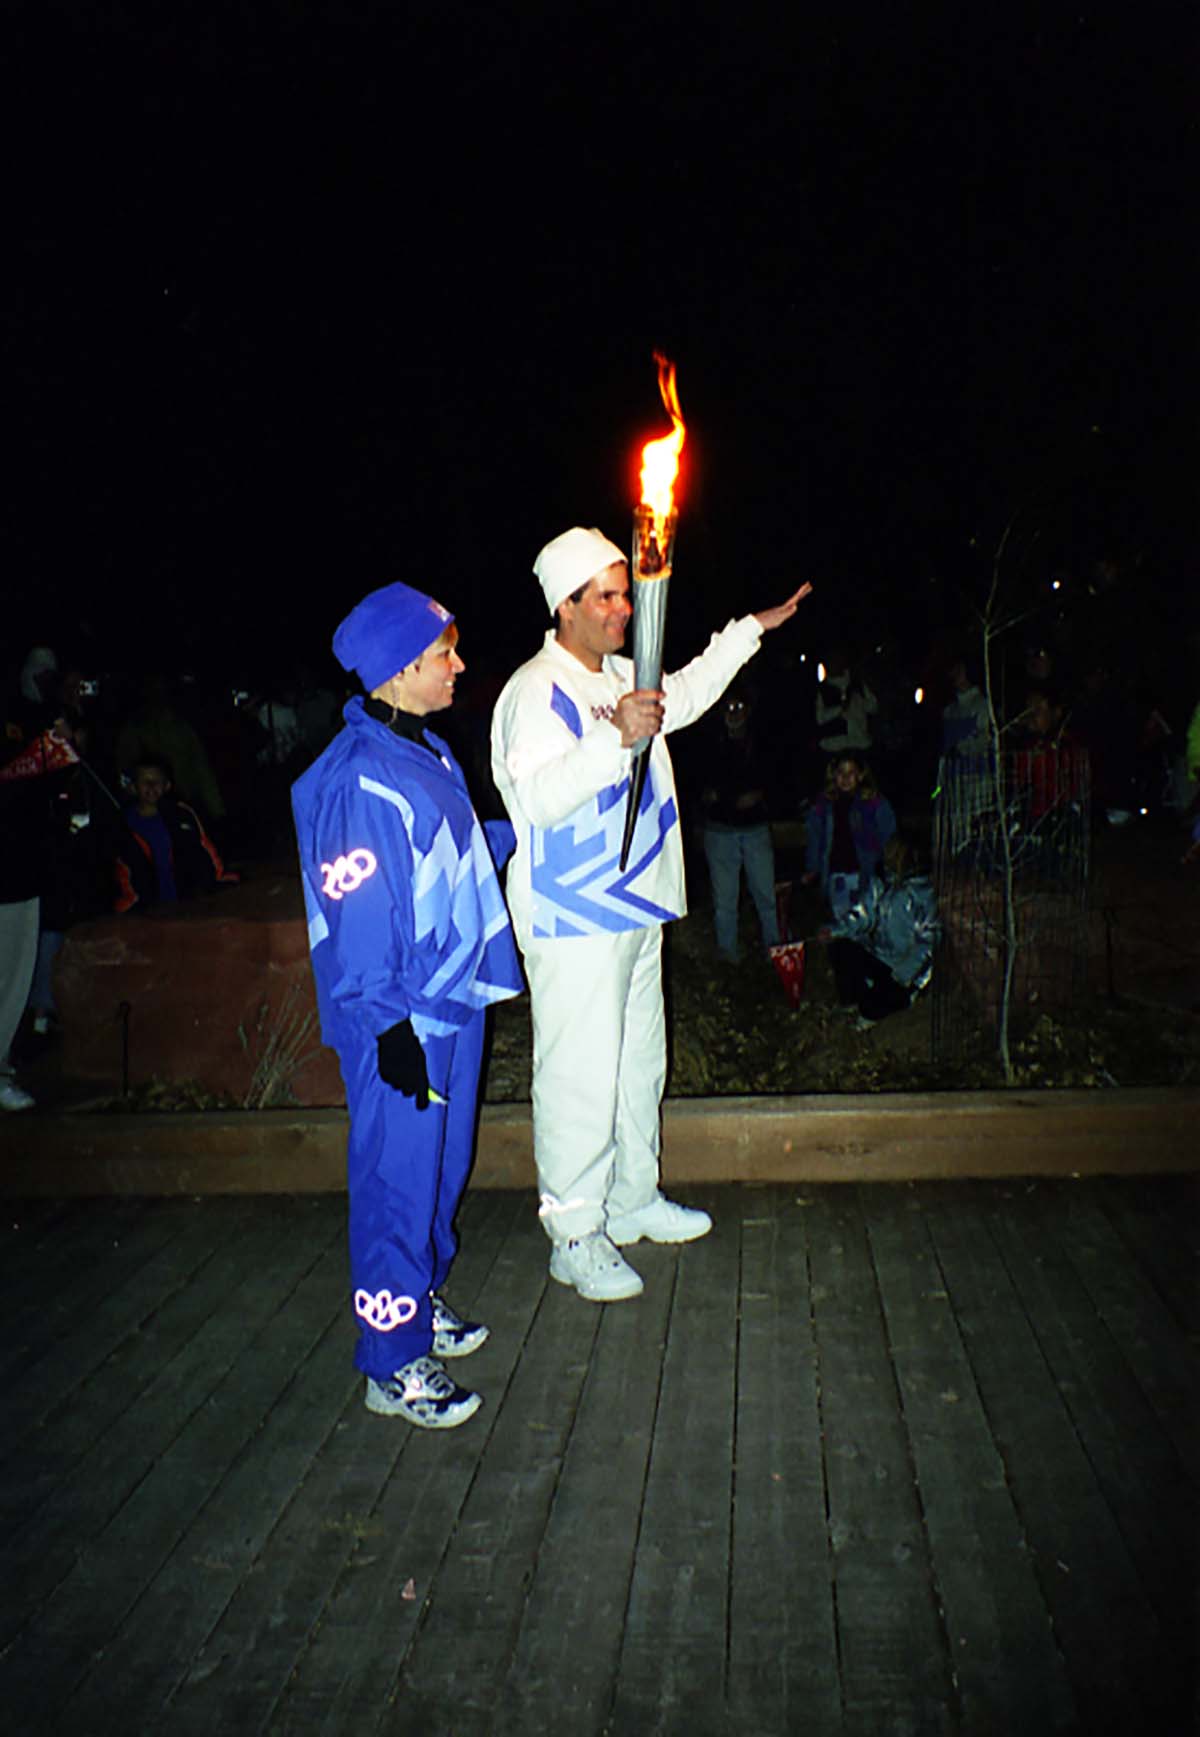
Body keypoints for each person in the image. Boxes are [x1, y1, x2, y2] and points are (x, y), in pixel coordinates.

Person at [490, 525, 808, 1303]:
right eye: (605, 596)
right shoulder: (535, 691)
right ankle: (574, 1232)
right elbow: (538, 797)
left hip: (635, 905)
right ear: (565, 606)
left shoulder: (622, 674)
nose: (624, 608)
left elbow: (684, 693)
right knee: (579, 1073)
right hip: (574, 915)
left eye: (625, 592)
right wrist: (614, 737)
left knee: (638, 1065)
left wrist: (748, 631)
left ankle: (631, 1197)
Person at [292, 582, 523, 1428]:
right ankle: (390, 1360)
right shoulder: (358, 781)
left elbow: (446, 856)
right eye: (442, 654)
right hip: (401, 1019)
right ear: (394, 670)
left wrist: (520, 835)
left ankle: (418, 1298)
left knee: (440, 1167)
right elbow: (360, 921)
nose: (458, 665)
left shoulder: (426, 749)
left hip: (451, 998)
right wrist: (388, 1027)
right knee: (396, 1179)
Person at [698, 679, 782, 962]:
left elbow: (776, 779)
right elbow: (701, 786)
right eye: (728, 708)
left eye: (739, 707)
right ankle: (728, 953)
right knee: (725, 901)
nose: (734, 713)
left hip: (755, 829)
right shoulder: (710, 743)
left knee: (766, 895)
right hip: (720, 832)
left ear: (748, 710)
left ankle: (775, 950)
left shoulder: (762, 741)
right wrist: (717, 797)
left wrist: (759, 795)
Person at [819, 835, 938, 1029]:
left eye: (893, 855)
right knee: (841, 947)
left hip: (905, 974)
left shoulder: (923, 893)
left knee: (872, 1006)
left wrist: (903, 976)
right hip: (881, 957)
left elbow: (928, 944)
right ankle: (854, 1001)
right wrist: (834, 931)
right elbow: (863, 915)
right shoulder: (882, 882)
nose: (887, 858)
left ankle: (881, 1004)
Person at [114, 755, 239, 911]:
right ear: (133, 787)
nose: (151, 786)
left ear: (167, 785)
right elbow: (121, 870)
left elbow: (206, 848)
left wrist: (218, 880)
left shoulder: (181, 814)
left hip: (185, 902)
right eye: (145, 781)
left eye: (157, 781)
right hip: (147, 909)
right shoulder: (123, 824)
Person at [803, 753, 896, 921]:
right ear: (834, 775)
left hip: (866, 874)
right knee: (842, 923)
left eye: (851, 772)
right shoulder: (824, 805)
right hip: (836, 875)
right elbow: (815, 838)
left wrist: (889, 869)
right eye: (841, 772)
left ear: (860, 775)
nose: (845, 778)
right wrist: (812, 868)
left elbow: (889, 838)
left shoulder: (875, 803)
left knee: (866, 922)